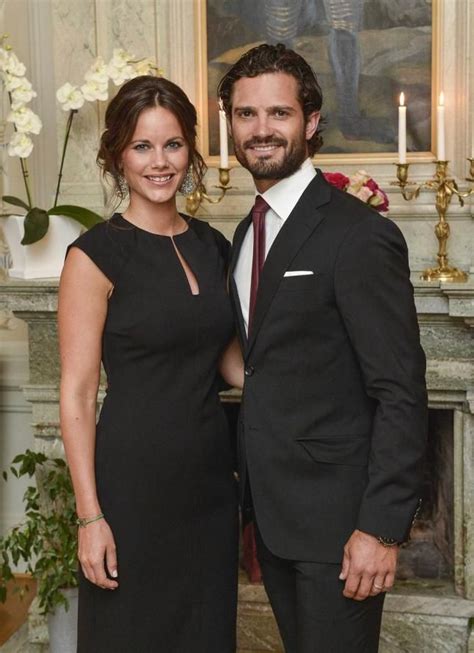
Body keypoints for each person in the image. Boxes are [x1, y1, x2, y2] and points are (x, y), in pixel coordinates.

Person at [218, 43, 427, 653]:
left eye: (278, 114)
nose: (261, 130)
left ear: (310, 123)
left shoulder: (360, 235)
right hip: (275, 519)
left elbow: (399, 388)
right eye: (246, 114)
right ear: (230, 122)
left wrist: (381, 531)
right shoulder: (243, 232)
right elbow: (264, 361)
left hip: (341, 528)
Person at [58, 75, 243, 653]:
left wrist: (319, 391)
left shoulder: (214, 245)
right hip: (131, 486)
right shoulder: (94, 255)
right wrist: (91, 518)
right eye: (142, 146)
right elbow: (78, 393)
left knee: (205, 634)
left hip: (210, 484)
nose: (159, 162)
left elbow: (235, 365)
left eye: (172, 145)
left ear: (191, 150)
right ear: (117, 155)